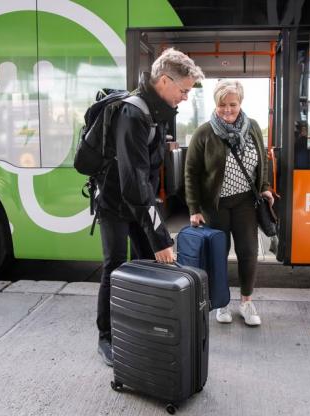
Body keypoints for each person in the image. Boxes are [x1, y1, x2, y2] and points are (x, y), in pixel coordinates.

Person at [96, 48, 204, 366]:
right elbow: (133, 183)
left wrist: (156, 237)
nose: (185, 97)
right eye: (183, 90)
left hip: (137, 202)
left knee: (147, 266)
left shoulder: (157, 113)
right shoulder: (133, 114)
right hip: (115, 204)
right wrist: (160, 237)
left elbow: (144, 179)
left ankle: (139, 328)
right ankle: (106, 337)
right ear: (165, 81)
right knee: (114, 267)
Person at [184, 79, 274, 327]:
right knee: (218, 255)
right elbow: (190, 172)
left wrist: (264, 188)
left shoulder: (253, 126)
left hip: (246, 202)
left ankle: (246, 301)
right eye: (222, 104)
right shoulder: (204, 132)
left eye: (232, 104)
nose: (227, 109)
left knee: (248, 252)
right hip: (215, 206)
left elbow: (263, 162)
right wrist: (194, 209)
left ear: (240, 103)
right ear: (216, 104)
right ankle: (221, 302)